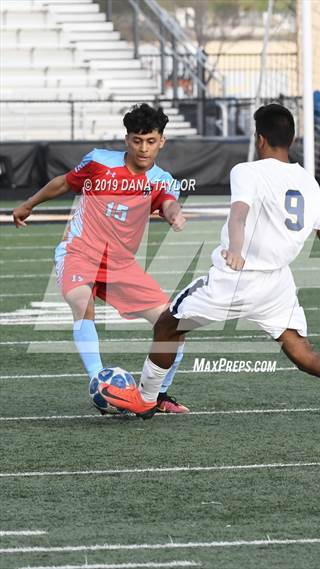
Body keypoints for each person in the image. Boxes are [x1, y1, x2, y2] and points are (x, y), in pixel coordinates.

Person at [100, 103, 320, 433]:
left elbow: (239, 213)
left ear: (260, 138)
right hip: (276, 284)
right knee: (303, 354)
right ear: (291, 140)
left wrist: (235, 250)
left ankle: (147, 399)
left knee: (168, 325)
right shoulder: (309, 183)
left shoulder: (247, 171)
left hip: (236, 278)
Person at [13, 103, 189, 414]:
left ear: (161, 141)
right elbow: (65, 182)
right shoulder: (98, 162)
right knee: (82, 301)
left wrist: (174, 215)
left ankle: (157, 396)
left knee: (173, 326)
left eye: (151, 141)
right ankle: (100, 383)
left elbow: (169, 202)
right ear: (126, 139)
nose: (143, 148)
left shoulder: (162, 179)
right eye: (137, 140)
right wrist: (29, 203)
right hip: (79, 251)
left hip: (121, 266)